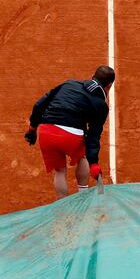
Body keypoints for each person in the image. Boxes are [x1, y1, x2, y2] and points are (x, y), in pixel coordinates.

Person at [26, 66, 114, 198]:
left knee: (60, 171)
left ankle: (63, 206)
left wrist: (32, 129)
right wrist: (94, 162)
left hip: (46, 132)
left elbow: (39, 105)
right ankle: (83, 195)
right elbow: (93, 136)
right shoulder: (101, 106)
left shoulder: (69, 83)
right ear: (109, 85)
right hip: (70, 136)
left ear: (92, 77)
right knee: (82, 157)